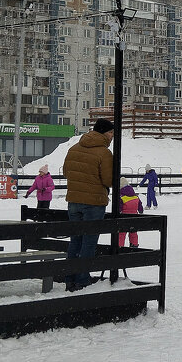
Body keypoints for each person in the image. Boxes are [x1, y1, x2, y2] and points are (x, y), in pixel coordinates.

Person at [62, 118, 114, 291]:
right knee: (89, 242)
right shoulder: (104, 153)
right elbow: (108, 179)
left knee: (75, 241)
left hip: (73, 201)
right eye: (111, 133)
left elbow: (65, 172)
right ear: (104, 133)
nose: (112, 136)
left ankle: (70, 277)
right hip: (94, 203)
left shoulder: (74, 148)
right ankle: (82, 279)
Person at [117, 180, 144, 248]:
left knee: (121, 234)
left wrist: (118, 212)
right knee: (133, 232)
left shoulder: (121, 197)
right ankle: (134, 245)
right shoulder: (135, 196)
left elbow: (119, 208)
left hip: (124, 218)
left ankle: (120, 246)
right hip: (134, 217)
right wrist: (140, 211)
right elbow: (140, 206)